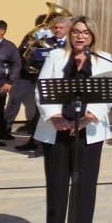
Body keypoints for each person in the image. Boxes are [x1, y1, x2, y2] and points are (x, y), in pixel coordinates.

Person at [35, 17, 112, 223]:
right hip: (57, 129)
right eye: (77, 32)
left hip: (89, 131)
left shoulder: (104, 59)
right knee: (57, 184)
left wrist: (89, 118)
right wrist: (54, 117)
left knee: (85, 186)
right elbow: (42, 88)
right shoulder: (56, 56)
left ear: (93, 36)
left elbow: (107, 94)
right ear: (70, 35)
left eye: (86, 32)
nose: (81, 36)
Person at [14, 15, 69, 153]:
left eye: (60, 28)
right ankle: (35, 142)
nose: (57, 30)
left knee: (56, 114)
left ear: (67, 29)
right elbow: (30, 57)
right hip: (45, 80)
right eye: (55, 28)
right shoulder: (46, 41)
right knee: (40, 113)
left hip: (63, 83)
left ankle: (46, 145)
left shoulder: (71, 44)